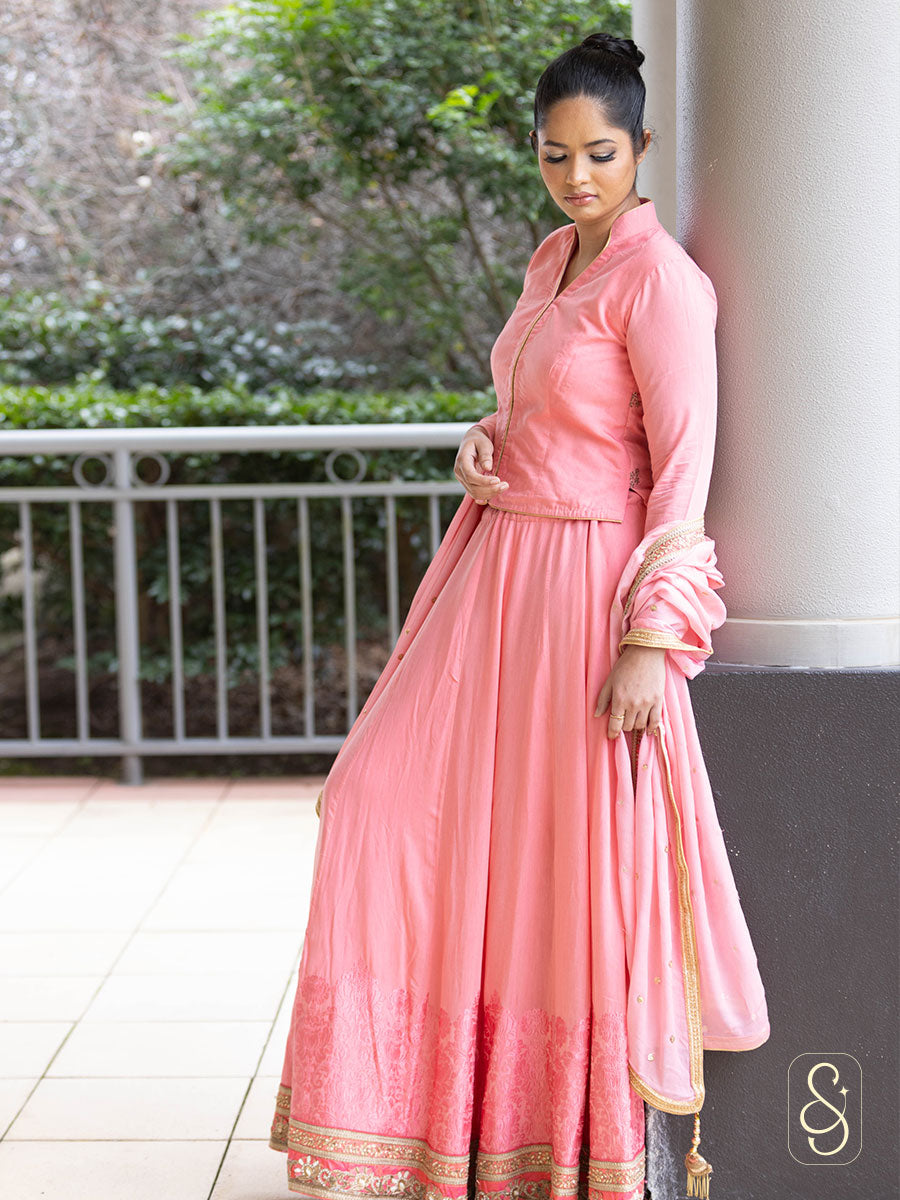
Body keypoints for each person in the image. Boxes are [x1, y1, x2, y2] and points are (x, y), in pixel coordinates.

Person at [269, 31, 770, 1200]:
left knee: (553, 862)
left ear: (643, 148)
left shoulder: (662, 282)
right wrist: (480, 436)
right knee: (380, 801)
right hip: (495, 575)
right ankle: (431, 1120)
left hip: (584, 597)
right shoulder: (552, 259)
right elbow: (535, 403)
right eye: (556, 155)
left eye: (600, 153)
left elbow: (684, 468)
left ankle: (554, 1139)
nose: (578, 176)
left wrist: (651, 637)